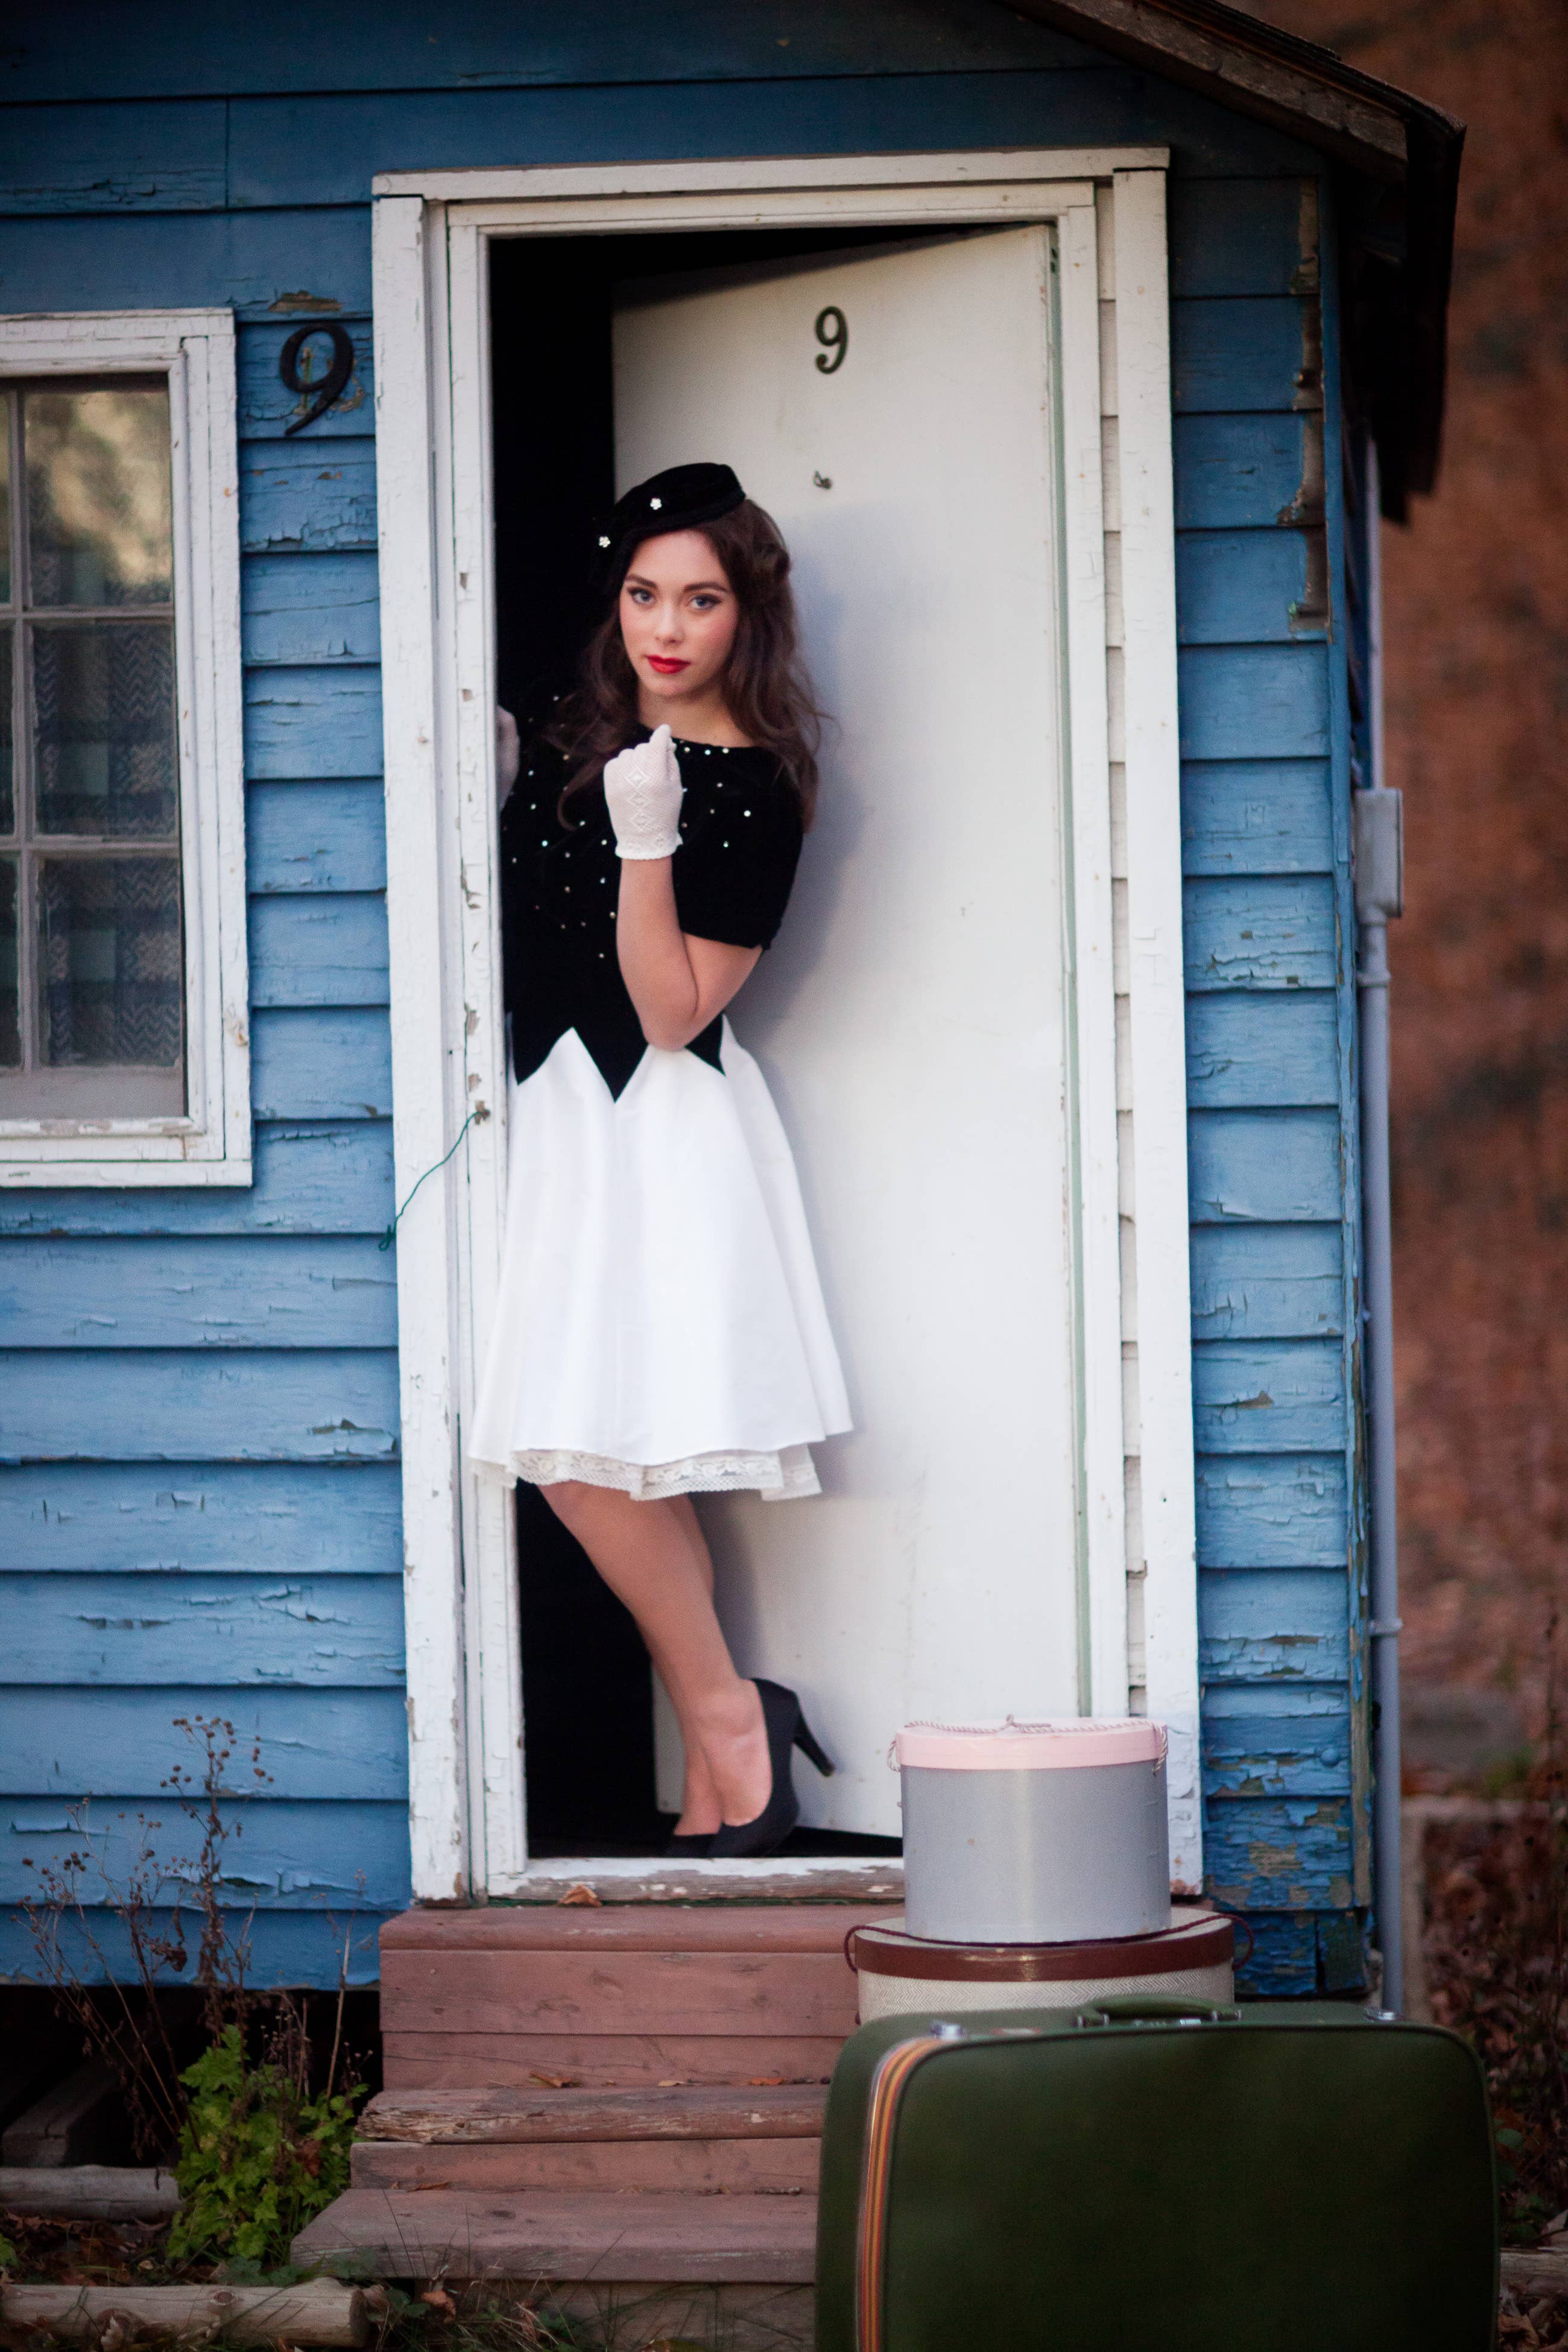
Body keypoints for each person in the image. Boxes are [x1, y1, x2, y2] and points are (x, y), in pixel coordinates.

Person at [471, 461, 850, 1859]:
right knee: (618, 1461)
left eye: (700, 600)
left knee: (587, 1460)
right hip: (562, 1121)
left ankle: (733, 1723)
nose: (667, 628)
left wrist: (649, 840)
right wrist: (502, 790)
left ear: (749, 615)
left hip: (657, 1130)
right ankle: (723, 1758)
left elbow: (673, 1011)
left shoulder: (756, 787)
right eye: (644, 595)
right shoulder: (582, 737)